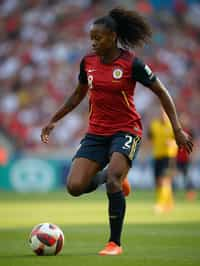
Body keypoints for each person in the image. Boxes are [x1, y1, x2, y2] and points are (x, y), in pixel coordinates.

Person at [41, 8, 193, 255]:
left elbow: (162, 92)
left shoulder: (131, 63)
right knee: (74, 187)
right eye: (91, 37)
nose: (93, 42)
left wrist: (177, 129)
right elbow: (78, 93)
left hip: (126, 130)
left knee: (113, 179)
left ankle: (114, 243)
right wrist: (54, 119)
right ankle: (115, 179)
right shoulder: (87, 62)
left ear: (112, 36)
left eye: (98, 37)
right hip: (96, 133)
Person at [148, 108, 178, 213]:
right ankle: (169, 204)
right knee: (159, 182)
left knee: (164, 180)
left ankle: (160, 204)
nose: (163, 115)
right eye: (161, 113)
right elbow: (150, 138)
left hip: (169, 157)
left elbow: (179, 141)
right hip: (157, 156)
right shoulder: (154, 125)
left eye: (165, 113)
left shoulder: (173, 126)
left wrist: (173, 143)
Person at [176, 113, 196, 201]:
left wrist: (192, 156)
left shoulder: (190, 131)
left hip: (186, 159)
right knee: (173, 177)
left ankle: (190, 194)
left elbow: (194, 145)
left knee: (187, 177)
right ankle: (171, 195)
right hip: (176, 158)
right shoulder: (177, 132)